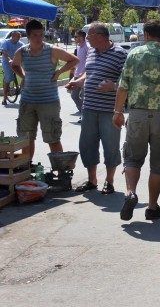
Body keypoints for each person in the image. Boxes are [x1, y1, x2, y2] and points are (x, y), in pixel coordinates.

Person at [112, 20, 160, 221]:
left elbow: (123, 86)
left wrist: (117, 111)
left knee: (132, 158)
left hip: (137, 115)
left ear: (145, 34)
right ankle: (152, 207)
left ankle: (130, 194)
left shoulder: (134, 54)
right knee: (159, 163)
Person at [66, 22, 128, 194]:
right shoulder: (92, 51)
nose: (86, 39)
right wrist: (78, 82)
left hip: (110, 109)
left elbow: (129, 80)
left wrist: (113, 86)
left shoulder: (120, 54)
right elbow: (88, 71)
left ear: (100, 37)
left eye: (89, 36)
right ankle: (92, 180)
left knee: (110, 146)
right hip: (89, 107)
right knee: (87, 145)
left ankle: (109, 181)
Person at [11, 20, 79, 161]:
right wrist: (23, 76)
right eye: (35, 35)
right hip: (27, 101)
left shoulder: (51, 50)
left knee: (52, 137)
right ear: (28, 36)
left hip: (48, 101)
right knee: (26, 138)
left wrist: (59, 72)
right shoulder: (22, 52)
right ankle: (26, 168)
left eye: (41, 34)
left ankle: (60, 170)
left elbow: (74, 60)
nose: (39, 38)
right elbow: (15, 65)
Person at [67, 30, 89, 117]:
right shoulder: (79, 47)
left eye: (76, 36)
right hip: (77, 75)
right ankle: (83, 112)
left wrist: (84, 72)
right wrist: (73, 69)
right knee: (74, 95)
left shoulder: (87, 47)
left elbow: (89, 61)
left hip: (84, 76)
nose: (75, 38)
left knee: (84, 97)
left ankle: (84, 115)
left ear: (82, 37)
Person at [1, 30, 24, 105]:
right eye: (17, 36)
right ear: (13, 36)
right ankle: (4, 98)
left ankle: (21, 91)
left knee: (25, 76)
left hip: (17, 62)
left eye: (19, 37)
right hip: (7, 62)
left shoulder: (20, 44)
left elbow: (26, 50)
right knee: (8, 78)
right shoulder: (6, 42)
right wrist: (9, 60)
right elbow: (4, 52)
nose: (19, 38)